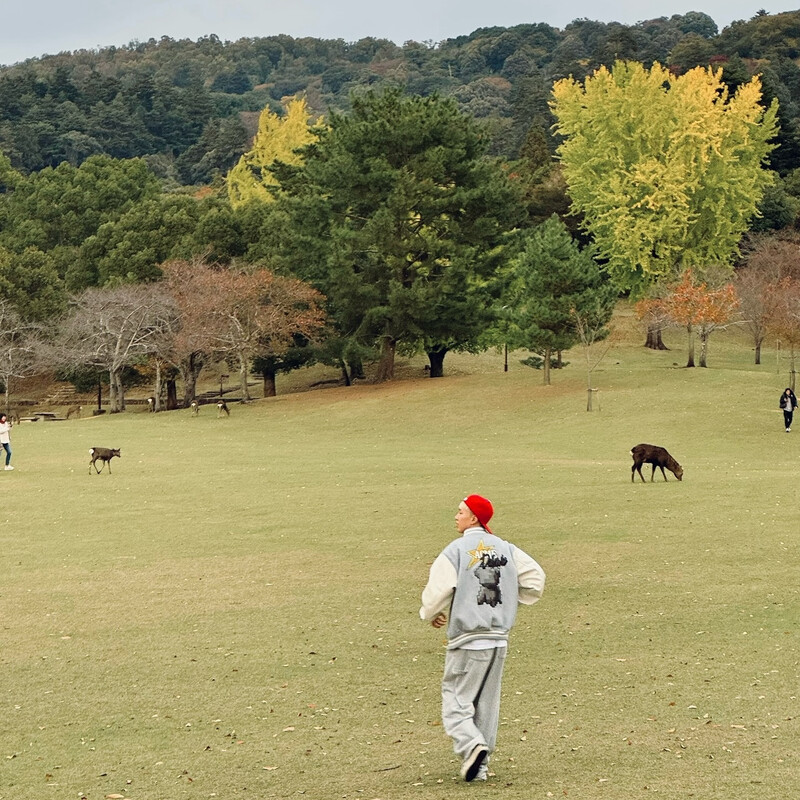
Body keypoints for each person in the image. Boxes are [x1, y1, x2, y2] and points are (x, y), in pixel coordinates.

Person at [420, 494, 545, 782]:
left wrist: (431, 613)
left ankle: (471, 745)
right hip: (498, 639)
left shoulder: (455, 550)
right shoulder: (507, 549)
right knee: (487, 704)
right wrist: (510, 600)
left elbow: (437, 592)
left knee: (456, 700)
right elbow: (535, 580)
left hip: (467, 639)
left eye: (460, 511)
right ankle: (481, 768)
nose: (456, 515)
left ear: (473, 517)